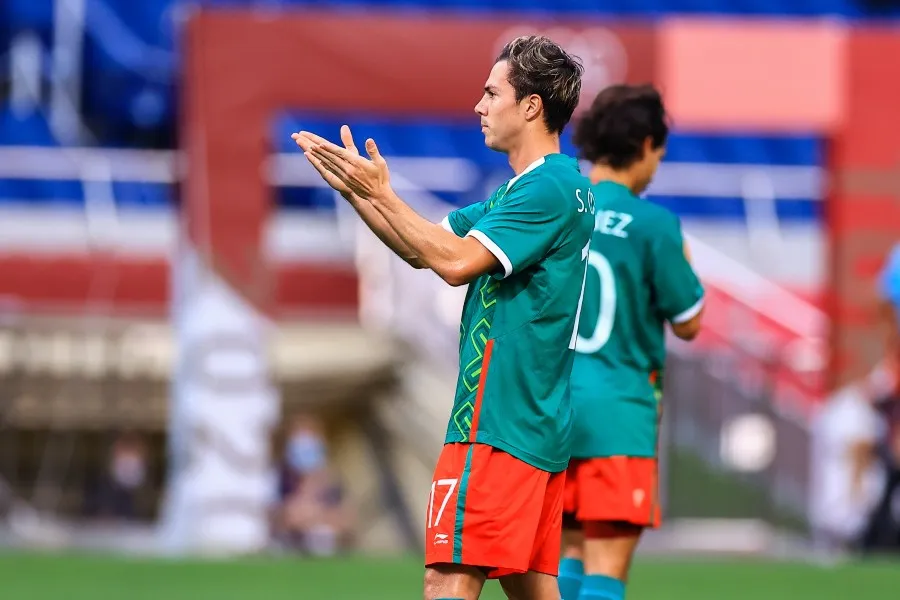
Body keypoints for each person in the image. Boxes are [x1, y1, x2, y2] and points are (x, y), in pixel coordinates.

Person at [293, 35, 593, 600]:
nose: (479, 106)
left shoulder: (547, 189)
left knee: (446, 578)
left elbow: (452, 263)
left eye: (491, 92)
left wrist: (379, 192)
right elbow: (425, 244)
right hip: (534, 423)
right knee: (531, 589)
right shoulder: (540, 190)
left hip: (496, 424)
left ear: (531, 106)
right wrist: (364, 195)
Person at [559, 84, 705, 600]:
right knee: (606, 565)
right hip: (618, 413)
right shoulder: (653, 224)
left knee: (564, 555)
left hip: (552, 409)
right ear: (645, 145)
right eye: (659, 155)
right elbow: (688, 320)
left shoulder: (557, 206)